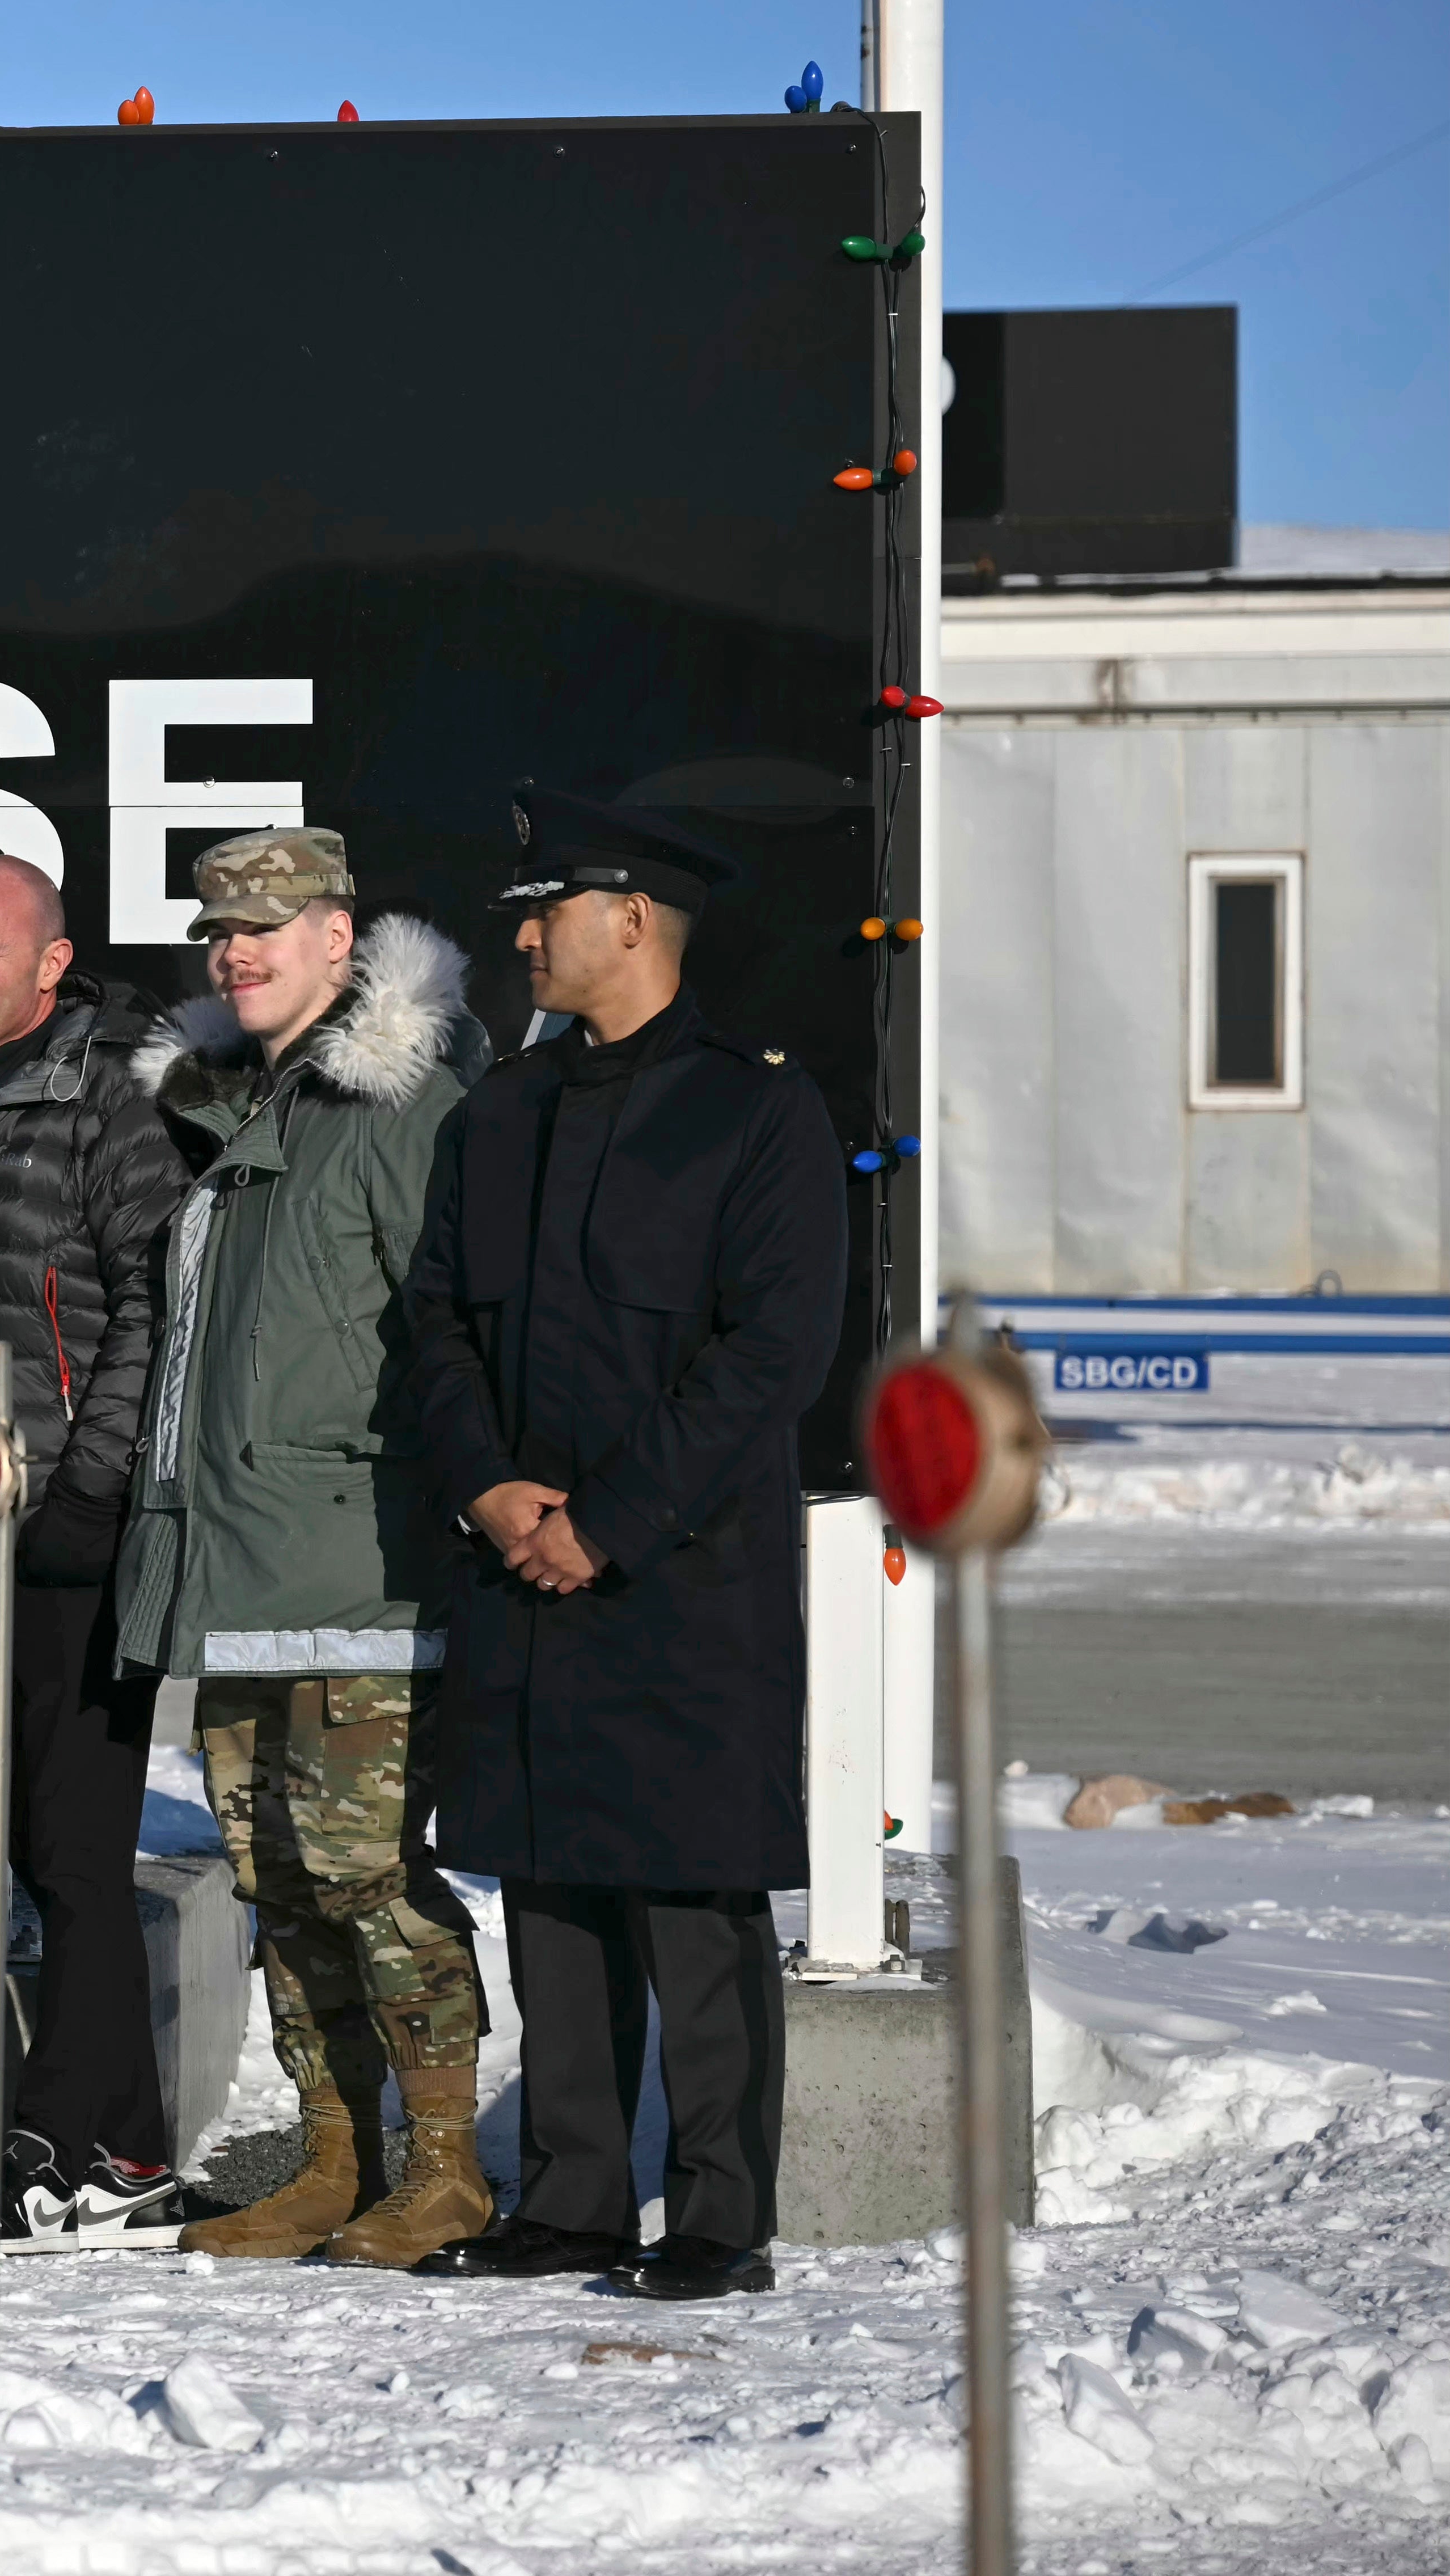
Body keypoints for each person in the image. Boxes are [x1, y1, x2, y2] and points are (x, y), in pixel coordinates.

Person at [406, 788, 846, 2305]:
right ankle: (576, 2199)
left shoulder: (758, 1107)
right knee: (551, 1884)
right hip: (527, 1568)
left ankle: (719, 2213)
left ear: (634, 920)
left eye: (549, 911)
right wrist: (491, 1494)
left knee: (692, 1895)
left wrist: (608, 1520)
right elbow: (442, 1325)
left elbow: (772, 1351)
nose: (522, 937)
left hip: (683, 1576)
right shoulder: (502, 1114)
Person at [108, 831, 495, 2270]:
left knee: (369, 1879)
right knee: (275, 1880)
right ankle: (336, 2158)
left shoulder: (403, 1111)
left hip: (356, 1569)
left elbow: (455, 1339)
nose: (235, 950)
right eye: (218, 930)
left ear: (343, 938)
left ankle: (443, 2166)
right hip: (234, 1565)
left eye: (267, 925)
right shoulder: (232, 1107)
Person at [0, 853, 193, 2248]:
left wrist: (91, 1494)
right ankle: (121, 2151)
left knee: (75, 1843)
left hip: (71, 1530)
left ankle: (63, 2141)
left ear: (53, 963)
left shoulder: (112, 1098)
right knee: (47, 1848)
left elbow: (155, 1303)